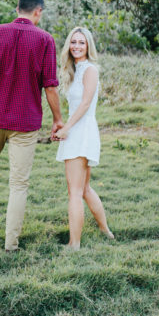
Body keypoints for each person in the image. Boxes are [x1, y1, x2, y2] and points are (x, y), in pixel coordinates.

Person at [0, 0, 64, 252]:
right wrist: (58, 119)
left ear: (17, 8)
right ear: (38, 12)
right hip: (25, 121)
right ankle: (11, 243)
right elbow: (51, 87)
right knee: (19, 183)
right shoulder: (45, 40)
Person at [52, 26, 114, 249]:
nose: (77, 46)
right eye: (73, 42)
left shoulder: (90, 70)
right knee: (85, 188)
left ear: (88, 46)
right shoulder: (73, 70)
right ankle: (106, 231)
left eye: (81, 42)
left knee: (76, 191)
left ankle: (74, 243)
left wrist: (67, 128)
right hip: (76, 128)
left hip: (82, 131)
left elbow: (86, 103)